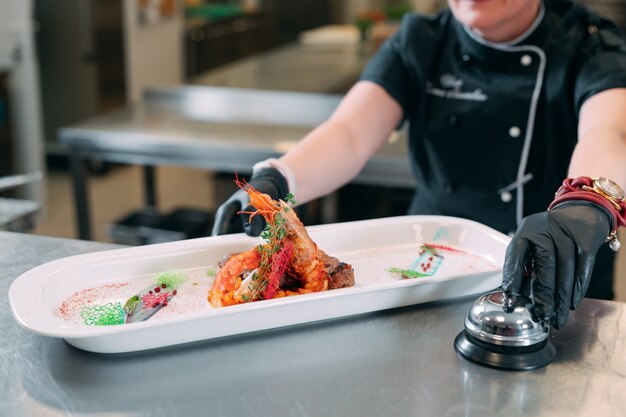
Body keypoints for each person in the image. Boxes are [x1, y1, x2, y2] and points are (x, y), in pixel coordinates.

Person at [212, 0, 626, 330]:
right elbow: (351, 133)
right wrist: (279, 176)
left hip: (555, 276)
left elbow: (609, 130)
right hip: (427, 277)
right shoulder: (421, 40)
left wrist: (586, 202)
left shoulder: (591, 40)